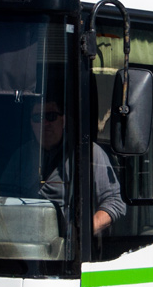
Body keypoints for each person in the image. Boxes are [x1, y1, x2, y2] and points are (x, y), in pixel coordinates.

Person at [31, 99, 125, 235]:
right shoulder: (21, 155)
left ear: (62, 121)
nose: (44, 123)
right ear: (31, 123)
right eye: (37, 117)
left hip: (65, 247)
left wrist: (79, 233)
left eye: (51, 117)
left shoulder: (88, 153)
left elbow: (115, 201)